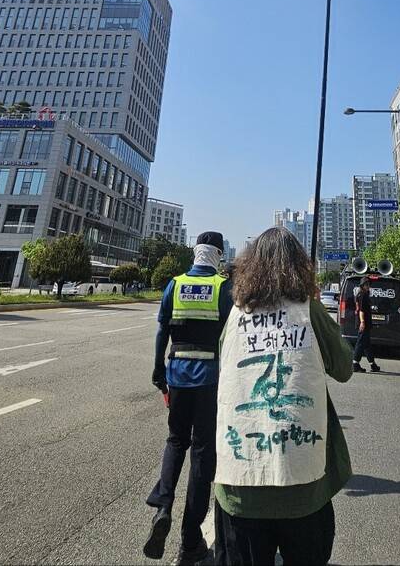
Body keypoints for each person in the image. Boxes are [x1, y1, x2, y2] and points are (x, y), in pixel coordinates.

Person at [213, 227, 353, 566]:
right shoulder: (310, 311)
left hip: (239, 487)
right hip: (303, 490)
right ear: (299, 266)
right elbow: (344, 368)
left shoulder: (236, 315)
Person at [145, 231, 233, 565]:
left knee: (175, 440)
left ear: (195, 253)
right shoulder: (223, 288)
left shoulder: (175, 284)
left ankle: (163, 504)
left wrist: (159, 372)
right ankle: (189, 539)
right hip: (210, 381)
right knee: (202, 455)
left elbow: (161, 331)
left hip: (178, 374)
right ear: (218, 256)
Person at [352, 277, 380, 373]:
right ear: (362, 286)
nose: (368, 286)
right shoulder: (363, 295)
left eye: (369, 284)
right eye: (366, 284)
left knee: (367, 345)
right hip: (363, 323)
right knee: (360, 343)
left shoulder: (361, 294)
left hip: (365, 323)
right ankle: (355, 364)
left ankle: (373, 364)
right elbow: (361, 310)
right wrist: (362, 322)